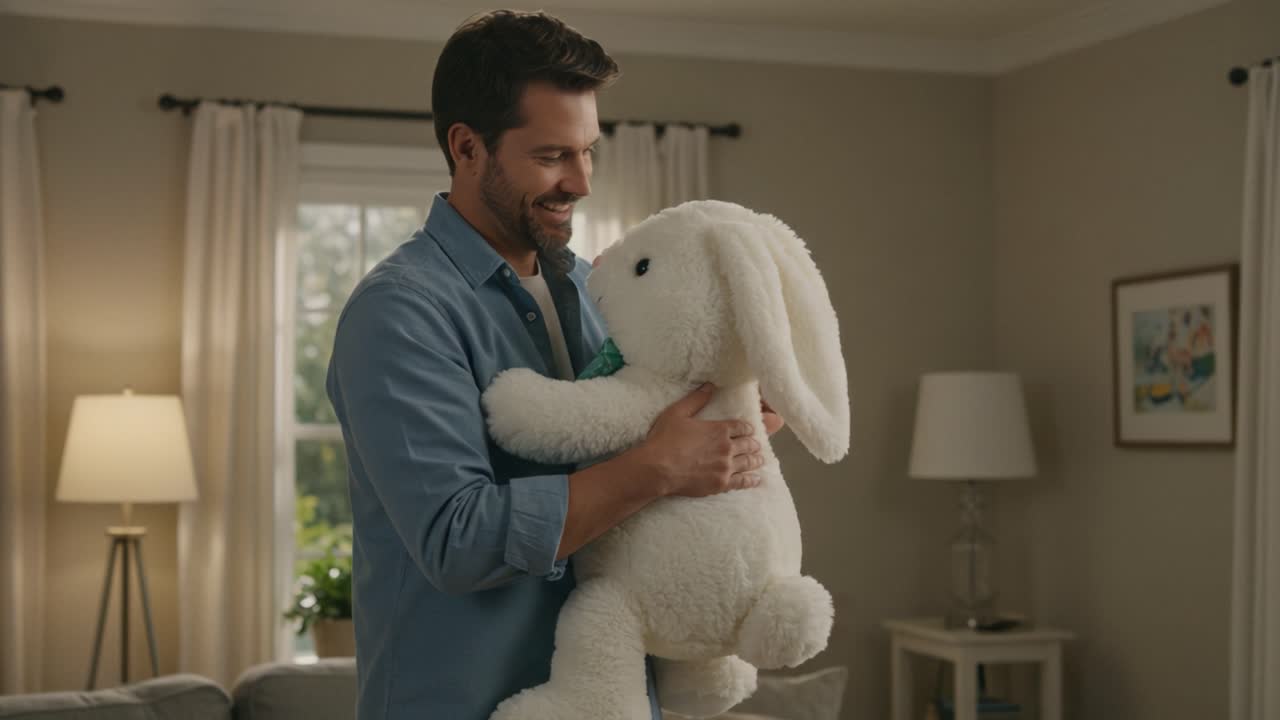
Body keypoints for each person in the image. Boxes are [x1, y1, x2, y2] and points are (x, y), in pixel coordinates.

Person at [325, 10, 778, 720]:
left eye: (588, 151)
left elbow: (640, 447)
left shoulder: (595, 292)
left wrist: (719, 434)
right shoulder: (399, 313)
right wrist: (658, 465)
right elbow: (458, 540)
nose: (582, 181)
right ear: (467, 147)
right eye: (551, 156)